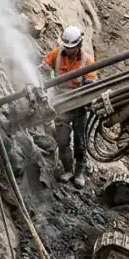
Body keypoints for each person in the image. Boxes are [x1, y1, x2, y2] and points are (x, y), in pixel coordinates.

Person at [41, 26, 97, 188]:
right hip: (61, 104)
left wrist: (88, 86)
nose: (68, 50)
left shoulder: (87, 60)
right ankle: (68, 170)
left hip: (79, 105)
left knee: (80, 141)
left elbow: (91, 82)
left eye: (72, 48)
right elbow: (43, 68)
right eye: (66, 47)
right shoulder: (56, 54)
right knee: (62, 139)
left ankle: (79, 173)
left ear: (79, 45)